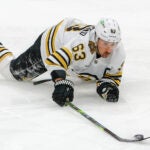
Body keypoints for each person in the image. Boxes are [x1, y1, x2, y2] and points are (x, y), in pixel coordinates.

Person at [0, 17, 126, 106]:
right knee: (12, 73)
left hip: (72, 38)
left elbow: (112, 75)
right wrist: (60, 82)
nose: (110, 49)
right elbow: (55, 60)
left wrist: (107, 87)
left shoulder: (118, 53)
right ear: (97, 38)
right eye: (105, 43)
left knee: (85, 67)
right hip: (54, 42)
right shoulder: (82, 46)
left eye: (113, 43)